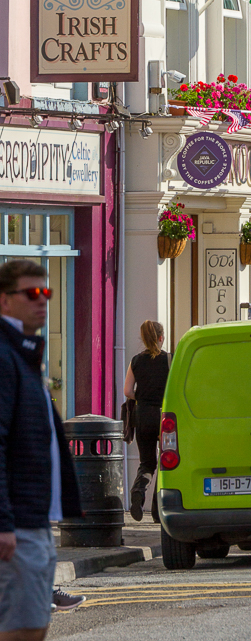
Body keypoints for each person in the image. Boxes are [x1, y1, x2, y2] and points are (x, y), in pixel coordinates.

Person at [0, 258, 82, 640]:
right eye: (31, 293)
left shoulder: (23, 352)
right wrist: (3, 524)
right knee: (25, 629)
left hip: (33, 521)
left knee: (31, 626)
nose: (42, 300)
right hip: (18, 523)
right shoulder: (5, 356)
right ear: (4, 301)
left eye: (45, 292)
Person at [123, 321, 171, 523]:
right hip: (164, 417)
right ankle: (157, 510)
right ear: (161, 338)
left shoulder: (136, 360)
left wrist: (142, 397)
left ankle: (138, 491)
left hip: (142, 415)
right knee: (166, 463)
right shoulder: (169, 359)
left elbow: (127, 391)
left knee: (147, 463)